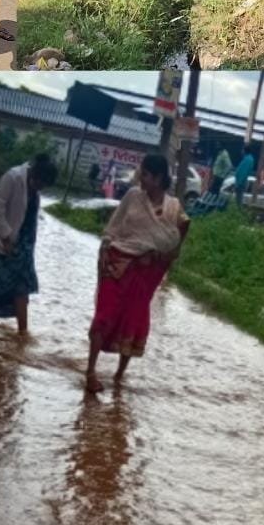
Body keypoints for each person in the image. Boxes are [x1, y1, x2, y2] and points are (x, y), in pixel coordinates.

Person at [86, 153, 190, 393]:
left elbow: (176, 241)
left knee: (133, 320)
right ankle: (90, 371)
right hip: (117, 265)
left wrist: (155, 257)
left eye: (144, 174)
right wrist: (104, 247)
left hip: (144, 274)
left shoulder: (173, 208)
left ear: (158, 177)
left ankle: (119, 376)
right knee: (104, 315)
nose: (140, 178)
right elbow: (113, 227)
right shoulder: (133, 196)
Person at [0, 154, 60, 333]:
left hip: (23, 246)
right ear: (35, 174)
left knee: (21, 286)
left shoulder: (35, 188)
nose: (41, 188)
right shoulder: (13, 177)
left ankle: (22, 333)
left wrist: (24, 245)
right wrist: (6, 238)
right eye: (40, 183)